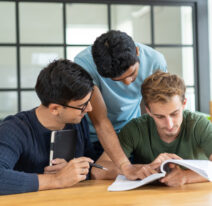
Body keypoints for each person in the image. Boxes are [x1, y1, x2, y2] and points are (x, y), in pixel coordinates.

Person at [91, 70, 212, 186]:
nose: (169, 124)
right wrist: (133, 169)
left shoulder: (199, 125)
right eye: (159, 116)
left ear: (184, 104)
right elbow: (97, 170)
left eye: (174, 114)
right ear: (148, 111)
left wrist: (186, 177)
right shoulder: (135, 129)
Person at [74, 30, 167, 179]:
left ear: (137, 51)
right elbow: (100, 121)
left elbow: (153, 108)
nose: (128, 82)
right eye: (117, 80)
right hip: (96, 137)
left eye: (132, 74)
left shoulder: (155, 61)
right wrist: (124, 166)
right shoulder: (83, 65)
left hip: (131, 134)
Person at [0, 59, 96, 195]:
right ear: (55, 109)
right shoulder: (15, 129)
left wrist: (77, 172)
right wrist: (56, 180)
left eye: (89, 101)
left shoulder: (78, 121)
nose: (90, 109)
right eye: (82, 106)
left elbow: (92, 163)